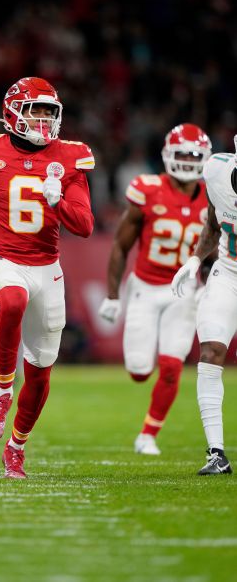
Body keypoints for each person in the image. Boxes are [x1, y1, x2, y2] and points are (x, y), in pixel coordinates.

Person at [0, 76, 95, 478]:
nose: (43, 119)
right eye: (35, 110)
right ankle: (2, 391)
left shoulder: (71, 157)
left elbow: (85, 226)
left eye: (50, 111)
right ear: (12, 113)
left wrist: (57, 200)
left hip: (48, 268)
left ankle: (16, 447)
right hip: (2, 258)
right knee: (12, 300)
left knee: (41, 374)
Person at [99, 124, 212, 455]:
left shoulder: (213, 196)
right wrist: (111, 294)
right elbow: (121, 245)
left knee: (173, 364)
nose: (189, 162)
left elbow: (219, 245)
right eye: (182, 154)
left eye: (195, 156)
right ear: (166, 156)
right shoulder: (147, 190)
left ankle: (147, 434)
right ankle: (142, 386)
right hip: (145, 287)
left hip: (184, 290)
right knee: (138, 370)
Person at [171, 136, 237, 475]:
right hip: (228, 273)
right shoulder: (217, 171)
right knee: (210, 351)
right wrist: (196, 260)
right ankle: (216, 453)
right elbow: (214, 222)